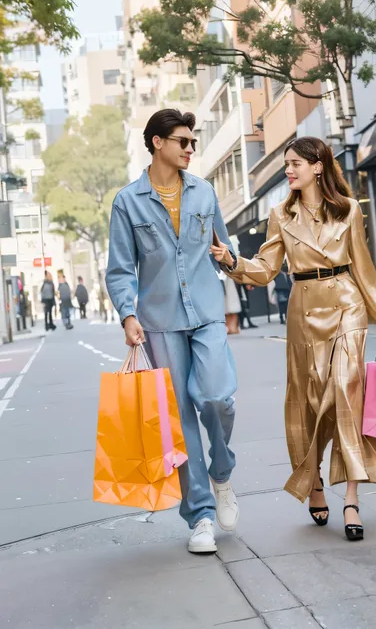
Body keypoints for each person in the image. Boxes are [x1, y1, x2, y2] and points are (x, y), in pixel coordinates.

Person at [211, 136, 376, 542]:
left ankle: (351, 497)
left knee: (349, 396)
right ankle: (313, 481)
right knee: (309, 402)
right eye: (286, 164)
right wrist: (231, 261)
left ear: (318, 166)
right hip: (303, 310)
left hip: (347, 305)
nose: (289, 170)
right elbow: (265, 268)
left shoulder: (349, 210)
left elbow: (364, 268)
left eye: (295, 162)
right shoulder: (280, 214)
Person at [106, 108, 239, 555]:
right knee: (179, 419)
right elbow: (121, 269)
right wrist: (128, 315)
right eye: (182, 141)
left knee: (216, 398)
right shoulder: (128, 201)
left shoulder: (204, 192)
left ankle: (222, 470)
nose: (189, 149)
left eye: (192, 142)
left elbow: (224, 246)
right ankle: (199, 515)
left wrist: (232, 259)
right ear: (157, 142)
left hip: (205, 312)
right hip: (159, 320)